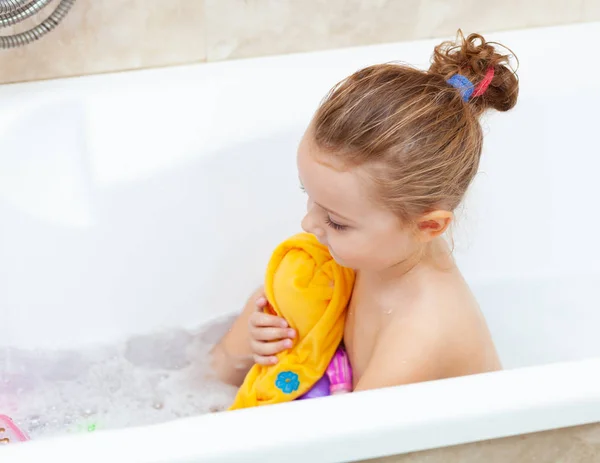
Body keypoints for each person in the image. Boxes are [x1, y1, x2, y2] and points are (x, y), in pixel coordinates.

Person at [211, 30, 519, 393]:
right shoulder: (370, 252)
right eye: (307, 196)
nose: (308, 224)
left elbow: (345, 446)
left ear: (429, 226)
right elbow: (213, 374)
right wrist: (251, 341)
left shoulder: (423, 335)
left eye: (337, 223)